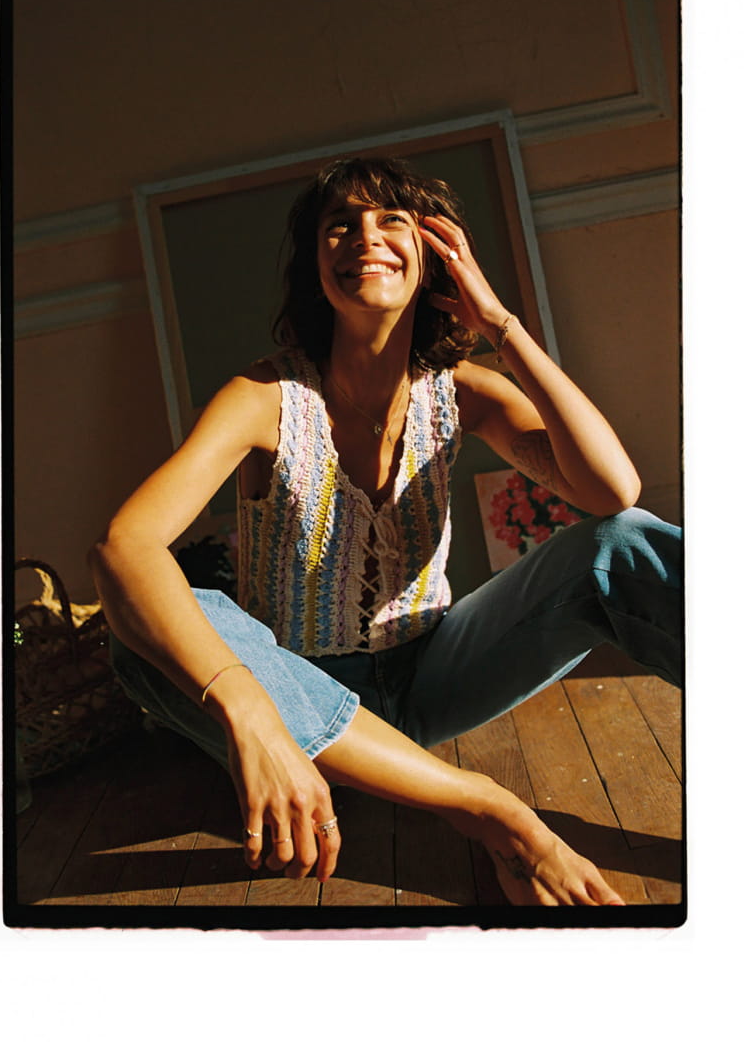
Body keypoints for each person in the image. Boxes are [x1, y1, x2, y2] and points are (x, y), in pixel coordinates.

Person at [89, 156, 682, 906]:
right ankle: (488, 808)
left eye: (390, 220)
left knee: (617, 542)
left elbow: (610, 490)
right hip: (295, 693)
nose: (364, 236)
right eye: (340, 225)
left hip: (433, 674)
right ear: (316, 267)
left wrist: (499, 326)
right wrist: (251, 710)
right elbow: (124, 544)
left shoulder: (463, 393)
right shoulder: (265, 397)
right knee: (148, 623)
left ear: (433, 257)